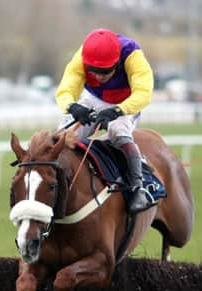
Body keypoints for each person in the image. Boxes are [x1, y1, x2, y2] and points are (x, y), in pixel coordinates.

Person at [55, 28, 154, 213]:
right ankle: (55, 186)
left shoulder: (132, 54)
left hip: (127, 101)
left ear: (116, 62)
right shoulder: (82, 56)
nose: (99, 77)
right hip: (93, 99)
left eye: (105, 72)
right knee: (63, 136)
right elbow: (65, 90)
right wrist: (73, 107)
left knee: (118, 131)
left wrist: (118, 110)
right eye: (94, 72)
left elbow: (144, 93)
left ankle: (137, 188)